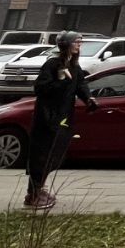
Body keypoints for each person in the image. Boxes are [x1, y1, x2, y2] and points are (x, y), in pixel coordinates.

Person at [25, 31, 97, 209]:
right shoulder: (53, 64)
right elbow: (40, 88)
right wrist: (61, 81)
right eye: (76, 42)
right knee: (43, 154)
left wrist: (88, 99)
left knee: (55, 154)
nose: (79, 45)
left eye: (80, 42)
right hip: (47, 117)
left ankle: (39, 188)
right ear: (66, 45)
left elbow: (80, 84)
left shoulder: (73, 65)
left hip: (64, 116)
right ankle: (33, 193)